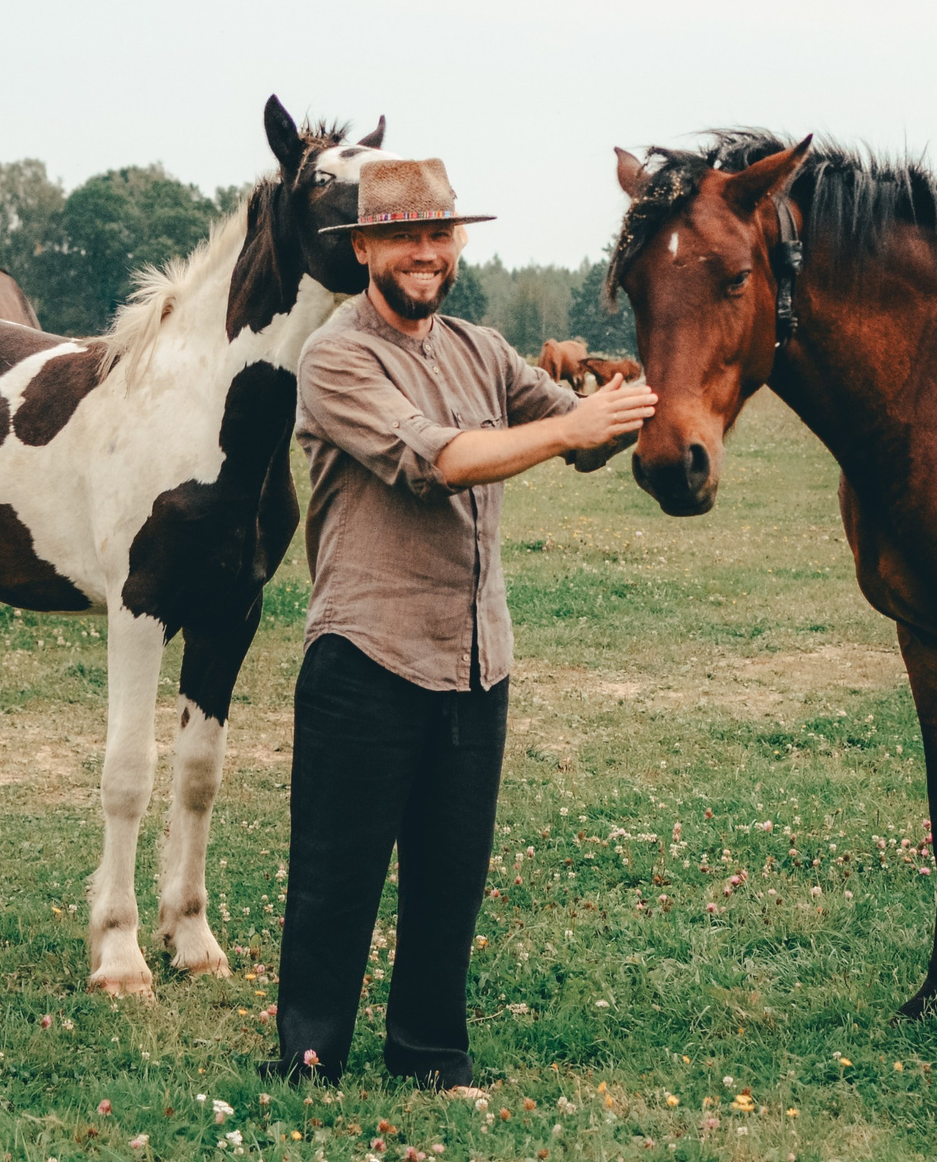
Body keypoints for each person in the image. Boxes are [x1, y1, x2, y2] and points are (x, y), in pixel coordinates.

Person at [273, 155, 656, 1089]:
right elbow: (436, 459)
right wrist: (565, 428)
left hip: (477, 661)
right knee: (336, 880)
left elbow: (583, 428)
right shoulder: (336, 357)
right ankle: (310, 1059)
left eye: (439, 233)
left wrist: (615, 389)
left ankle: (432, 1059)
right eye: (404, 234)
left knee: (449, 883)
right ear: (363, 246)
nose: (425, 252)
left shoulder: (480, 349)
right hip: (367, 655)